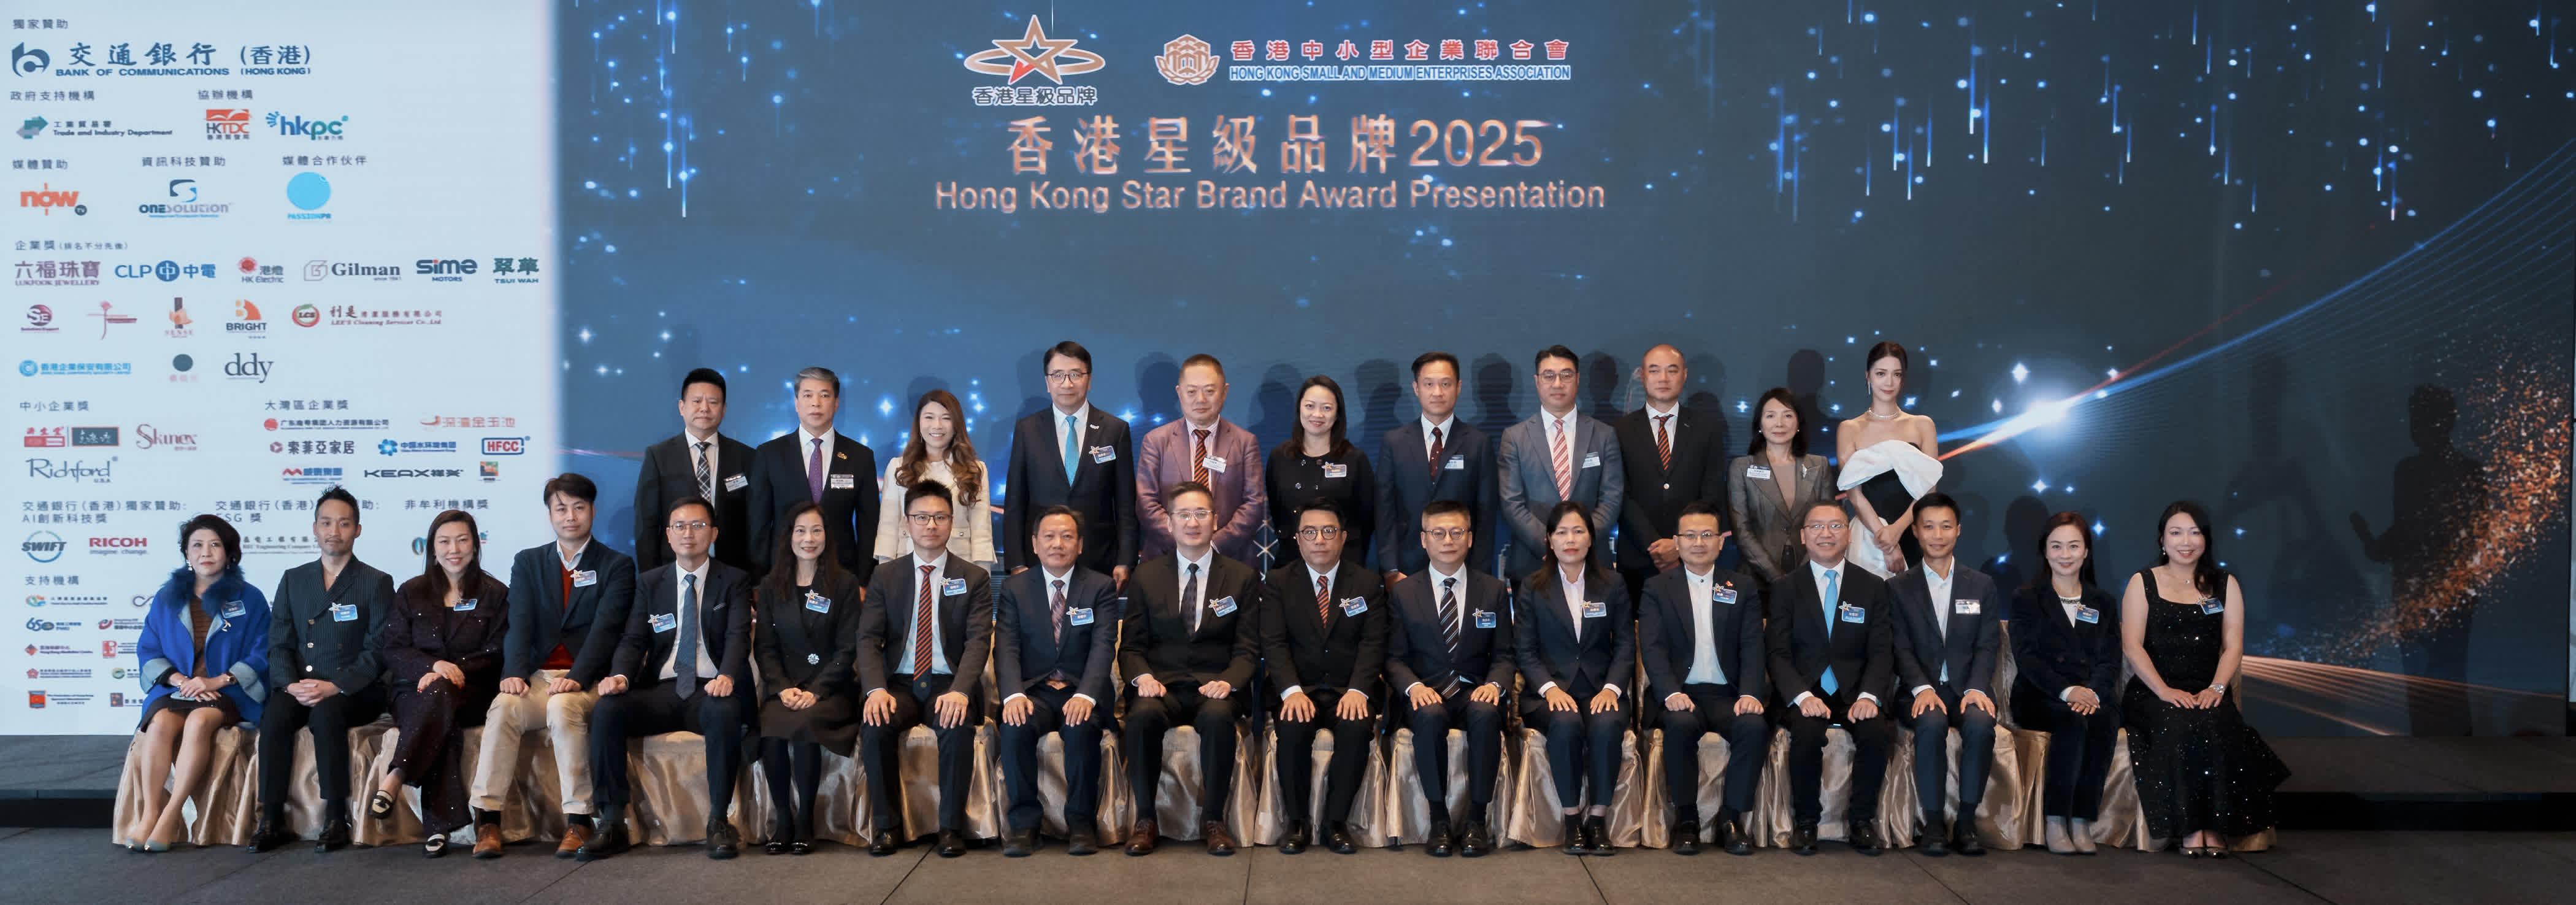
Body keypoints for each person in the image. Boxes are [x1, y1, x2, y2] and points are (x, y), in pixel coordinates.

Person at [577, 496, 757, 861]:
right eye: (680, 526)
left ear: (714, 533)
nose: (688, 533)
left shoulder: (734, 580)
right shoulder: (651, 582)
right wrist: (620, 676)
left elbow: (738, 636)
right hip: (662, 689)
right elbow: (633, 640)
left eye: (698, 525)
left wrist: (726, 675)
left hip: (711, 689)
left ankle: (719, 821)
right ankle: (612, 823)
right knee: (607, 710)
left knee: (723, 711)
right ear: (669, 536)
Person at [469, 474, 639, 858]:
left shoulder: (616, 565)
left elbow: (606, 630)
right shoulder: (528, 562)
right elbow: (520, 623)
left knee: (564, 707)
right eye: (561, 508)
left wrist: (578, 677)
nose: (570, 517)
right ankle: (488, 819)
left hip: (590, 679)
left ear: (592, 511)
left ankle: (579, 820)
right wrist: (514, 672)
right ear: (550, 514)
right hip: (539, 677)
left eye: (579, 507)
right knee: (504, 706)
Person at [2120, 501, 2290, 857]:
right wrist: (2164, 690)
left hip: (2208, 688)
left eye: (2195, 533)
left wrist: (2217, 688)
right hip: (2154, 692)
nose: (2186, 542)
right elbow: (2132, 646)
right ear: (2162, 540)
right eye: (2176, 533)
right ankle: (2190, 828)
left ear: (2206, 539)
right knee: (2178, 724)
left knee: (2216, 723)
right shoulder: (2143, 582)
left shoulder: (2225, 584)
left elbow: (2233, 646)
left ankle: (2215, 827)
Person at [1117, 481, 1265, 857]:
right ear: (1169, 523)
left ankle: (1214, 820)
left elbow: (1248, 648)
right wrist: (1143, 677)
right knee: (1141, 716)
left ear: (1216, 520)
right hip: (1161, 685)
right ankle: (1145, 820)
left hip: (1215, 686)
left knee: (1218, 719)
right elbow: (1131, 646)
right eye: (1183, 514)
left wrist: (1229, 682)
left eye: (1201, 513)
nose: (1192, 522)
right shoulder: (1146, 576)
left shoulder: (1242, 577)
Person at [251, 489, 394, 854]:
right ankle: (270, 818)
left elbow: (379, 649)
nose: (334, 531)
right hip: (300, 684)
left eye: (344, 524)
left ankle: (335, 817)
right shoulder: (293, 579)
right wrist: (291, 685)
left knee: (328, 715)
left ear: (357, 530)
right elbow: (279, 643)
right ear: (315, 528)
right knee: (275, 717)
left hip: (354, 688)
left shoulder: (376, 581)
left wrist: (336, 686)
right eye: (327, 523)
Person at [856, 481, 994, 858]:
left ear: (952, 522)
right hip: (898, 684)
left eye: (939, 517)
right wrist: (875, 690)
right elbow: (868, 639)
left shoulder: (974, 578)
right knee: (875, 724)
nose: (930, 525)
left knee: (956, 722)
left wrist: (961, 691)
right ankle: (887, 828)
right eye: (921, 517)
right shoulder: (886, 576)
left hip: (948, 682)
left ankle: (950, 828)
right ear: (906, 523)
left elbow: (978, 642)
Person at [370, 509, 511, 857]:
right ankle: (439, 825)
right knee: (440, 714)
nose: (454, 549)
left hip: (472, 691)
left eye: (462, 540)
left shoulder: (495, 593)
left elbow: (496, 651)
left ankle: (398, 774)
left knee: (442, 698)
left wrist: (450, 670)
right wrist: (432, 666)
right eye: (445, 542)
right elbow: (393, 649)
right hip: (413, 689)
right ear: (432, 548)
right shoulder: (412, 591)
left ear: (475, 546)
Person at [129, 514, 270, 852]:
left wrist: (217, 681)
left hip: (229, 690)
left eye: (215, 545)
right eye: (197, 545)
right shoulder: (167, 597)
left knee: (199, 722)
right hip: (177, 688)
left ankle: (171, 815)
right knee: (160, 723)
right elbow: (148, 648)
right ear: (187, 554)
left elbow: (264, 651)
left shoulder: (249, 598)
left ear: (230, 553)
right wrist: (181, 681)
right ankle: (150, 813)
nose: (206, 552)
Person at [1382, 499, 1513, 858]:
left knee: (1486, 714)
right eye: (1438, 533)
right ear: (1424, 539)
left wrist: (1494, 684)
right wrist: (1414, 687)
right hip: (1427, 691)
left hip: (1475, 690)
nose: (1448, 540)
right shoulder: (1404, 593)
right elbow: (1394, 658)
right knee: (1429, 716)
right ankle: (1438, 819)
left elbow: (1505, 655)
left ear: (1470, 538)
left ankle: (1476, 820)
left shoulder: (1493, 590)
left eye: (1457, 532)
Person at [1636, 502, 1768, 857]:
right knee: (1679, 725)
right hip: (1681, 693)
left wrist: (1751, 693)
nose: (1699, 543)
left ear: (1721, 542)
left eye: (1707, 535)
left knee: (1754, 727)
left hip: (1728, 695)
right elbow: (1653, 648)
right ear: (1677, 542)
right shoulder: (1657, 588)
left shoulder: (1741, 586)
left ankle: (1731, 820)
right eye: (1690, 536)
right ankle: (1687, 820)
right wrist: (1669, 692)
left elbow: (1752, 646)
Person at [1259, 498, 1388, 855]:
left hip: (1349, 689)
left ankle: (1336, 823)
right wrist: (1291, 691)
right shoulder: (1278, 582)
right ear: (1298, 539)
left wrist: (1360, 690)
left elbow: (1373, 643)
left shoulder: (1367, 583)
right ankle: (1297, 822)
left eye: (1329, 531)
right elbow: (1273, 642)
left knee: (1356, 727)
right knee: (1292, 727)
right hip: (1300, 687)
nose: (1319, 539)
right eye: (1310, 532)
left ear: (1343, 537)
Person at [1767, 501, 1896, 856]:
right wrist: (1802, 696)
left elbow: (1881, 651)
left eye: (1836, 526)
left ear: (1849, 535)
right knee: (1807, 735)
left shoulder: (1872, 587)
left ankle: (1862, 822)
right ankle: (1807, 824)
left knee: (1876, 733)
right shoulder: (1785, 588)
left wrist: (1869, 696)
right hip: (1805, 692)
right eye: (1817, 527)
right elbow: (1777, 653)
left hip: (1855, 693)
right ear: (1804, 536)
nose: (1826, 534)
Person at [994, 506, 1122, 857]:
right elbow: (1006, 647)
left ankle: (1081, 824)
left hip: (1080, 689)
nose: (1058, 544)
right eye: (1049, 536)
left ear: (1080, 545)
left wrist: (1087, 696)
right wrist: (1013, 695)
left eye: (1067, 536)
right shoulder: (1015, 588)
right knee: (1015, 726)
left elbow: (1103, 646)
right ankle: (1024, 825)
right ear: (1035, 544)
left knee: (1081, 728)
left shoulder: (1100, 587)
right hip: (1033, 690)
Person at [1514, 501, 1633, 857]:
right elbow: (1525, 651)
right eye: (1562, 532)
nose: (1570, 539)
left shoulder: (1612, 584)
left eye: (1579, 531)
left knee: (1607, 725)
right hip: (1550, 692)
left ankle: (1597, 820)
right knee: (1565, 724)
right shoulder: (1532, 587)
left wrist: (1612, 688)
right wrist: (1549, 689)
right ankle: (1571, 821)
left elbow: (1625, 644)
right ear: (1549, 540)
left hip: (1600, 689)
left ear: (1591, 538)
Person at [1886, 492, 2000, 857]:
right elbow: (1899, 647)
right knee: (1932, 723)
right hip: (1919, 689)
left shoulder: (1981, 585)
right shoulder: (1897, 588)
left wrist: (1977, 688)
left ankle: (1966, 822)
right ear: (1916, 532)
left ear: (1959, 530)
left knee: (1981, 726)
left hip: (1968, 689)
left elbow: (1988, 644)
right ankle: (1934, 824)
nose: (1938, 535)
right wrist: (1921, 687)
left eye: (1946, 526)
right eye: (1929, 527)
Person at [751, 501, 864, 855]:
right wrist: (782, 687)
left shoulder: (844, 584)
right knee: (770, 730)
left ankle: (805, 822)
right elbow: (765, 648)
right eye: (801, 531)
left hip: (831, 690)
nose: (809, 539)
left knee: (804, 726)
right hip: (785, 688)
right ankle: (783, 820)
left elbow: (848, 648)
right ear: (789, 537)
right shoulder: (771, 586)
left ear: (827, 536)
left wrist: (816, 691)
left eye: (817, 530)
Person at [2010, 512, 2122, 856]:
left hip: (2091, 692)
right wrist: (2068, 691)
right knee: (2072, 719)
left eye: (2074, 546)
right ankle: (2056, 819)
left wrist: (2093, 693)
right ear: (2045, 551)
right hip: (2039, 695)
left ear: (2086, 551)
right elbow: (2027, 658)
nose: (2065, 554)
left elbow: (2110, 660)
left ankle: (2082, 819)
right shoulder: (2027, 598)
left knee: (2104, 717)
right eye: (2056, 546)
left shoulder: (2103, 602)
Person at [1002, 341, 1139, 584]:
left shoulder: (1115, 430)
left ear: (1089, 380)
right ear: (1047, 382)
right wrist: (1016, 563)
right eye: (1058, 375)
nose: (1067, 384)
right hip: (1040, 561)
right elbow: (1015, 503)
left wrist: (1125, 560)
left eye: (1075, 374)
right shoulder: (1027, 430)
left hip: (1100, 561)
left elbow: (1126, 504)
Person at [1614, 344, 1727, 601]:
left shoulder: (1707, 428)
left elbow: (1711, 492)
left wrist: (1679, 544)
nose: (1663, 379)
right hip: (1638, 558)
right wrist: (1654, 544)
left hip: (1693, 557)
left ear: (1684, 375)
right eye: (1655, 371)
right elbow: (1620, 495)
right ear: (1643, 376)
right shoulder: (1619, 430)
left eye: (1672, 371)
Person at [1500, 345, 1625, 577]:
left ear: (1577, 379)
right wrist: (1550, 544)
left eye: (1566, 375)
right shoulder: (1514, 437)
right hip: (1532, 561)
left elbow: (1611, 498)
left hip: (1593, 561)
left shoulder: (1604, 435)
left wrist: (1581, 541)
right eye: (1549, 376)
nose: (1558, 384)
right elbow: (1512, 502)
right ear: (1537, 382)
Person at [748, 366, 880, 582]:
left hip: (842, 575)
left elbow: (869, 526)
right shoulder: (769, 454)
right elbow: (758, 524)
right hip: (782, 574)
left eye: (824, 395)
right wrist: (759, 581)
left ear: (836, 403)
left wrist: (864, 580)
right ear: (796, 403)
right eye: (808, 395)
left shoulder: (860, 456)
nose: (816, 403)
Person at [1376, 351, 1498, 583]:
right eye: (1429, 384)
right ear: (1416, 388)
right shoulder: (1394, 442)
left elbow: (1486, 514)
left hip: (1463, 567)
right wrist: (1390, 569)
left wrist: (1480, 572)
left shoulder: (1478, 443)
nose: (1438, 392)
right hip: (1406, 568)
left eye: (1446, 384)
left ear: (1459, 387)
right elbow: (1385, 511)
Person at [1137, 353, 1266, 564]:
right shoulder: (1155, 441)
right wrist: (1184, 544)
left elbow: (1254, 503)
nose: (1201, 400)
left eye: (1209, 391)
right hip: (1167, 559)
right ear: (1179, 393)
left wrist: (1214, 546)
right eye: (1192, 392)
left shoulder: (1245, 442)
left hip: (1230, 560)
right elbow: (1146, 503)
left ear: (1224, 392)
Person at [634, 368, 756, 572]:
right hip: (673, 569)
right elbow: (647, 523)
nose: (705, 409)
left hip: (732, 571)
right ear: (682, 407)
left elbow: (755, 522)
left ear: (724, 409)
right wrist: (651, 579)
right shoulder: (659, 456)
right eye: (697, 401)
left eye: (713, 402)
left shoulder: (746, 457)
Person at [1835, 342, 1942, 577]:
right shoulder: (1849, 429)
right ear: (1868, 376)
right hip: (1869, 536)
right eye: (1881, 374)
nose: (1889, 383)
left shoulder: (1922, 425)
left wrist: (1898, 530)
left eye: (1897, 374)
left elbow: (1929, 490)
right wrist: (1886, 540)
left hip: (1914, 530)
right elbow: (1854, 494)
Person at [1727, 387, 1834, 600]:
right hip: (1756, 581)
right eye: (1771, 416)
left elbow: (1826, 525)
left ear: (1798, 424)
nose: (1779, 423)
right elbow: (1741, 530)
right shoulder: (1741, 467)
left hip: (1810, 579)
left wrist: (1802, 576)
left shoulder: (1819, 466)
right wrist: (1778, 579)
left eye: (1788, 416)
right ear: (1760, 424)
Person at [875, 388, 998, 572]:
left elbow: (982, 532)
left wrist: (982, 577)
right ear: (918, 423)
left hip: (959, 567)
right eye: (929, 418)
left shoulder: (975, 470)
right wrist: (885, 575)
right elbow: (888, 529)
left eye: (946, 418)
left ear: (956, 425)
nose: (937, 425)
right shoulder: (898, 468)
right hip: (907, 566)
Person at [1266, 375, 1376, 570]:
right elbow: (1277, 513)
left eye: (1326, 408)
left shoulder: (1355, 460)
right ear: (1299, 408)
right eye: (1310, 406)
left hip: (1344, 565)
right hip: (1290, 563)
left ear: (1338, 414)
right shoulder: (1279, 457)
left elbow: (1366, 520)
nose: (1317, 415)